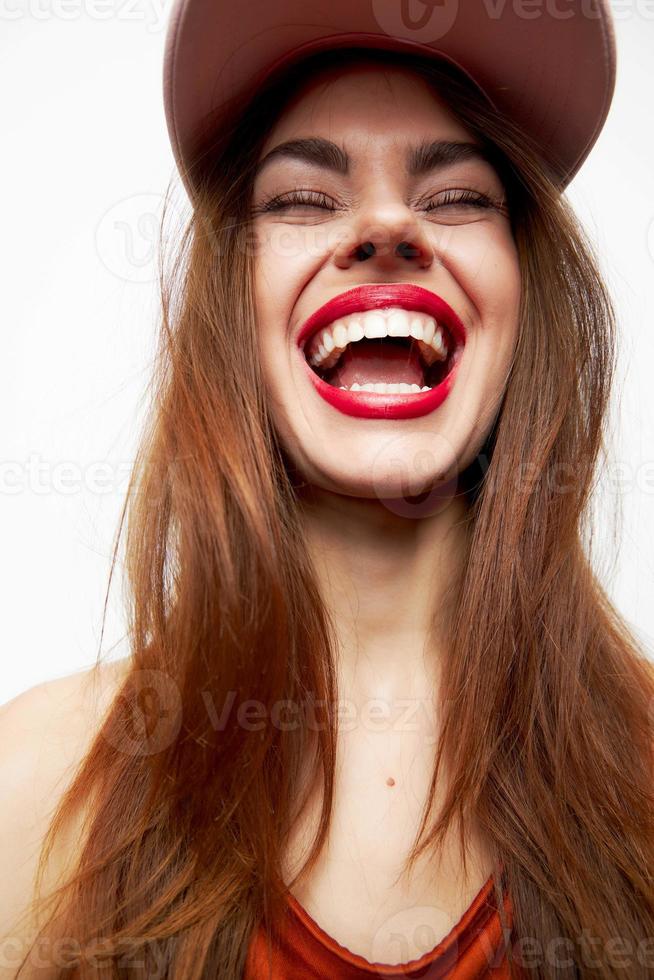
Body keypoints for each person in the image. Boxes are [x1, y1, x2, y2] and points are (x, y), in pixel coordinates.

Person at [2, 2, 654, 978]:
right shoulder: (38, 786)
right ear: (235, 302)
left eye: (459, 197)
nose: (387, 224)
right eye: (304, 199)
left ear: (527, 294)